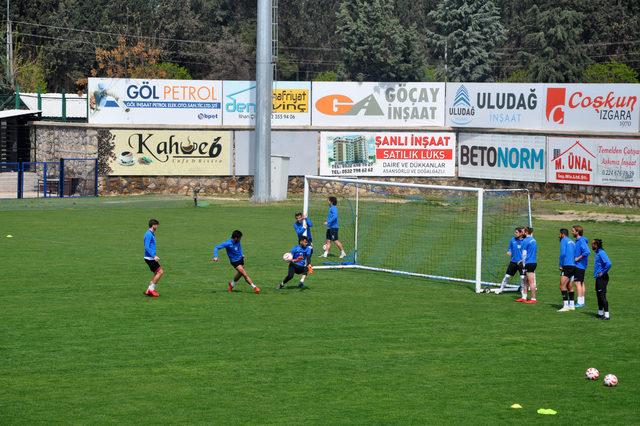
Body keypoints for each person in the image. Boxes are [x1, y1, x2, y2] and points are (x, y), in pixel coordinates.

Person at [213, 230, 260, 294]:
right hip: (235, 262)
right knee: (244, 274)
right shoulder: (228, 243)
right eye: (240, 238)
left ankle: (231, 285)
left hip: (240, 259)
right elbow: (216, 247)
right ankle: (255, 287)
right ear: (235, 238)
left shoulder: (238, 242)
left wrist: (242, 254)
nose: (240, 239)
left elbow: (239, 248)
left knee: (240, 273)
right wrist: (216, 256)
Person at [498, 227, 525, 295]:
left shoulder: (525, 241)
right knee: (507, 276)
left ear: (521, 233)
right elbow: (510, 248)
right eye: (515, 232)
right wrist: (509, 251)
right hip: (513, 262)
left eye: (516, 232)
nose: (515, 233)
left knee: (522, 277)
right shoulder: (512, 240)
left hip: (522, 263)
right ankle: (501, 289)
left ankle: (523, 291)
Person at [592, 239, 612, 320]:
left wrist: (602, 272)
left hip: (602, 278)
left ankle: (607, 315)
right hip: (599, 277)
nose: (591, 245)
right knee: (598, 295)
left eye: (593, 244)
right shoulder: (598, 253)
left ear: (596, 245)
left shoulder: (601, 253)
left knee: (602, 295)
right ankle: (600, 313)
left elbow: (609, 263)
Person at [572, 225, 591, 308]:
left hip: (579, 265)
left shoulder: (581, 241)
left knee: (577, 283)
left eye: (573, 231)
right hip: (581, 266)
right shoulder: (579, 240)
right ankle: (582, 301)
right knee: (581, 283)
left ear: (577, 232)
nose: (572, 232)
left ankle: (579, 302)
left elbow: (587, 252)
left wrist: (577, 258)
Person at [558, 228, 576, 312]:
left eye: (559, 234)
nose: (559, 236)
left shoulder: (563, 240)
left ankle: (565, 306)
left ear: (562, 234)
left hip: (567, 265)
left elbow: (562, 254)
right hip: (573, 265)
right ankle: (572, 305)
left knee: (562, 285)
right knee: (570, 286)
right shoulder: (572, 242)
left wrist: (561, 265)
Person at [143, 219, 163, 297]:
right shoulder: (148, 234)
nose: (157, 226)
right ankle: (151, 289)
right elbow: (146, 247)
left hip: (150, 257)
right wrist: (154, 256)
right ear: (153, 225)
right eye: (156, 225)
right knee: (160, 272)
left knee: (156, 273)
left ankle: (148, 290)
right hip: (150, 258)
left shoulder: (151, 233)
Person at [518, 227, 537, 304]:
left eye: (523, 231)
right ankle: (524, 297)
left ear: (526, 232)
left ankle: (533, 299)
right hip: (533, 262)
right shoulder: (533, 240)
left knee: (531, 282)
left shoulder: (525, 241)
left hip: (528, 263)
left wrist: (522, 262)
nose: (522, 233)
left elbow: (524, 253)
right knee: (525, 280)